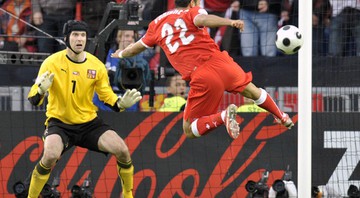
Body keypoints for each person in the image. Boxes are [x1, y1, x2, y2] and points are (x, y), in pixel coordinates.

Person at [111, 0, 294, 140]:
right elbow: (203, 19)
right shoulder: (193, 11)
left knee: (189, 130)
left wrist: (120, 54)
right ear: (192, 2)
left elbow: (136, 48)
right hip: (222, 62)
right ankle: (282, 116)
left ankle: (223, 116)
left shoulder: (156, 24)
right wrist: (229, 22)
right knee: (253, 91)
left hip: (202, 75)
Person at [27, 20, 141, 198]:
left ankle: (127, 194)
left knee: (123, 151)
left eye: (82, 35)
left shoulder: (96, 66)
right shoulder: (51, 63)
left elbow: (106, 96)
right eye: (75, 35)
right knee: (49, 156)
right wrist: (41, 89)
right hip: (60, 123)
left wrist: (120, 104)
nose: (79, 39)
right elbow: (33, 99)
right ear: (66, 38)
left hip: (89, 124)